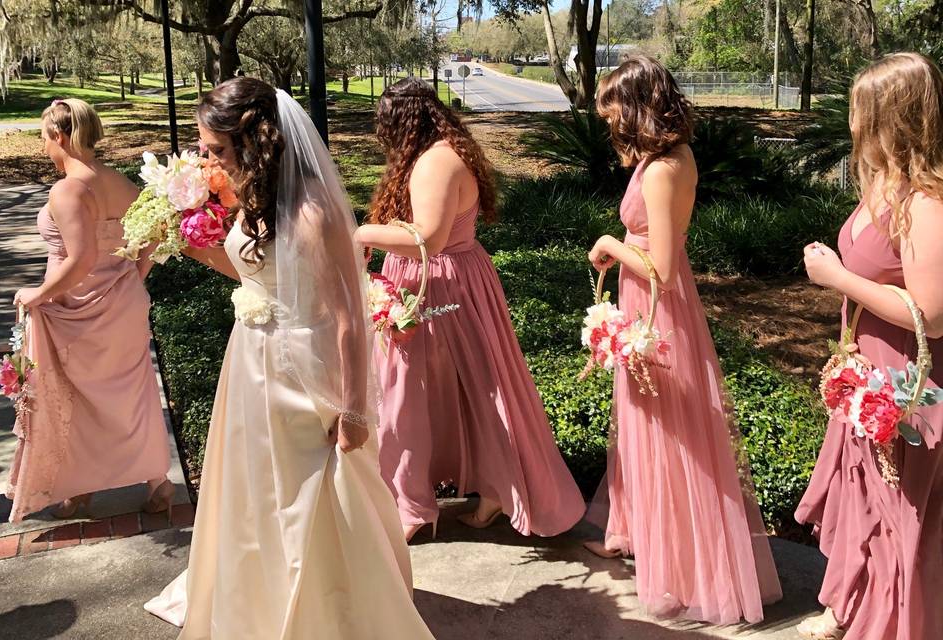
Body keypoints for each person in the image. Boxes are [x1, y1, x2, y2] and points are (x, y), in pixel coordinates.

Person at [144, 77, 434, 640]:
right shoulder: (254, 198)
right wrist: (192, 246)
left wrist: (353, 410)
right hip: (249, 361)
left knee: (315, 494)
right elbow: (258, 274)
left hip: (302, 368)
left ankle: (336, 614)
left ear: (254, 141)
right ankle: (259, 599)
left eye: (217, 150)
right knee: (254, 491)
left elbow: (349, 317)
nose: (208, 162)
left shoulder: (311, 212)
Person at [584, 56, 782, 624]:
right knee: (642, 424)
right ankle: (639, 534)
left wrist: (610, 244)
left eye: (614, 109)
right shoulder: (660, 156)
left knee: (670, 429)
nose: (609, 122)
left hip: (659, 310)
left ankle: (685, 561)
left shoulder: (665, 167)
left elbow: (663, 267)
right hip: (646, 305)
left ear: (638, 106)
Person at [354, 77, 585, 542]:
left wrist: (360, 234)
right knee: (470, 389)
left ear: (402, 123)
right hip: (455, 277)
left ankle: (413, 506)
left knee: (408, 394)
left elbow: (430, 238)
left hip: (434, 285)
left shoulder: (435, 162)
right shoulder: (445, 152)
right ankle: (491, 488)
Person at [795, 52, 943, 640]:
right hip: (867, 371)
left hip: (905, 382)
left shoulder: (926, 203)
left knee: (896, 508)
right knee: (864, 497)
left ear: (894, 114)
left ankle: (893, 623)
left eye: (862, 109)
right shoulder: (884, 182)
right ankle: (850, 607)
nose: (852, 121)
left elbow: (930, 316)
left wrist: (837, 278)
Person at [8, 98, 172, 522]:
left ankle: (79, 490)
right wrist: (135, 274)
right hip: (123, 300)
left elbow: (78, 260)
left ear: (59, 136)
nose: (45, 148)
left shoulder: (68, 188)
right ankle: (157, 482)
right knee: (132, 392)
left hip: (76, 308)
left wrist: (38, 294)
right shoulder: (120, 181)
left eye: (45, 139)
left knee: (72, 396)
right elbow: (157, 230)